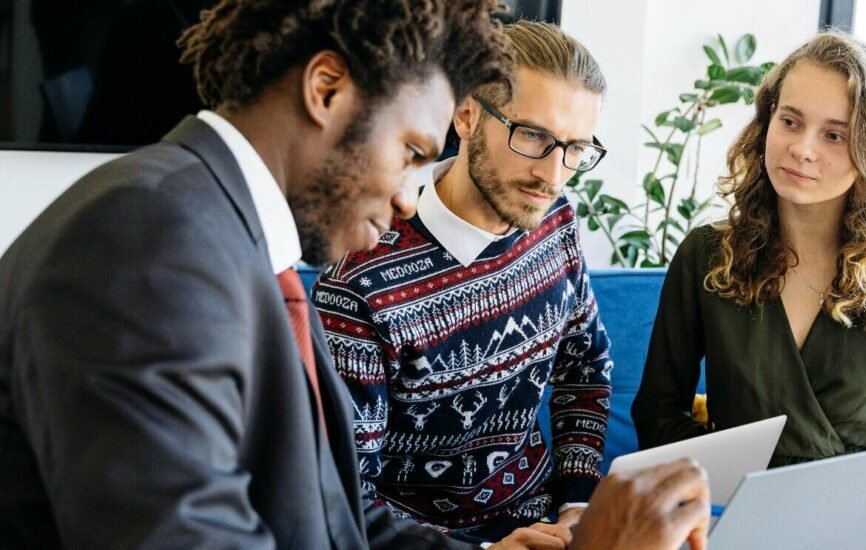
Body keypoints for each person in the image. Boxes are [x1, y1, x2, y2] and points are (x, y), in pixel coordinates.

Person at [0, 1, 710, 549]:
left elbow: (333, 513)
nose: (409, 196)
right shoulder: (148, 245)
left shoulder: (213, 232)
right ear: (327, 88)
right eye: (409, 151)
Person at [312, 21, 613, 544]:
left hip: (545, 526)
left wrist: (577, 502)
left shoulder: (554, 221)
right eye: (533, 136)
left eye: (575, 148)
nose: (554, 175)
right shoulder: (359, 282)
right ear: (467, 115)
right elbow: (343, 496)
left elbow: (585, 368)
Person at [632, 31, 866, 468]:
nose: (802, 149)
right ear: (768, 120)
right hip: (736, 509)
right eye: (790, 121)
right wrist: (734, 482)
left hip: (859, 521)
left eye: (835, 136)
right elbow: (657, 416)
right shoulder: (705, 255)